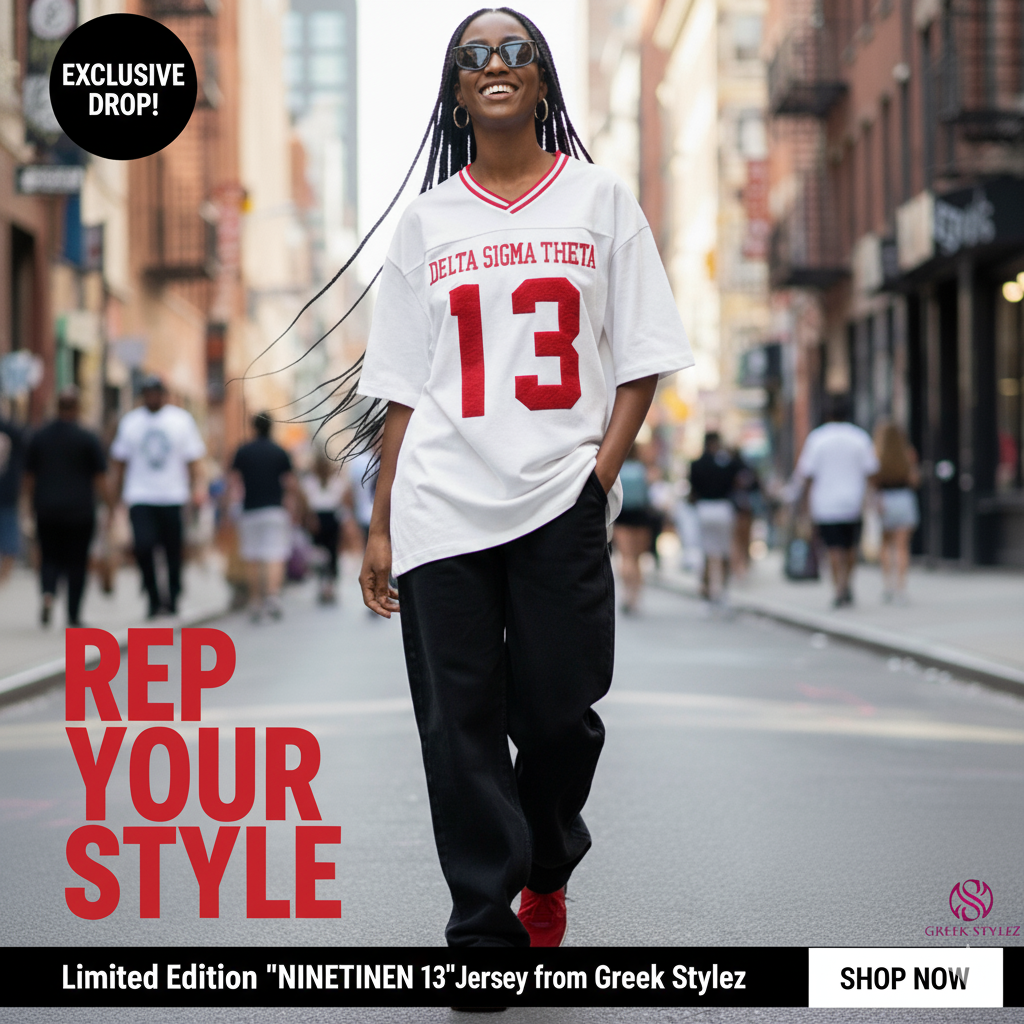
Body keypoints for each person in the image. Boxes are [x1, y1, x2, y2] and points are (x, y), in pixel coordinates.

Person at [352, 8, 692, 950]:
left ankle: (547, 858)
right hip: (439, 503)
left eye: (516, 52)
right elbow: (400, 389)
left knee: (559, 717)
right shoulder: (428, 221)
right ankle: (481, 930)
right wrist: (380, 524)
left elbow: (643, 358)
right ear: (459, 91)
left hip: (560, 497)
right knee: (457, 727)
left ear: (541, 79)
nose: (496, 66)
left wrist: (599, 475)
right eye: (476, 57)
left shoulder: (601, 201)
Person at [110, 374, 206, 618]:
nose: (153, 398)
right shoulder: (130, 422)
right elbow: (120, 463)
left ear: (164, 395)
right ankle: (152, 596)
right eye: (148, 393)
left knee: (173, 550)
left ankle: (172, 596)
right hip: (140, 495)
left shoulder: (181, 420)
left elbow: (194, 460)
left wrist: (197, 489)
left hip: (173, 495)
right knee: (143, 547)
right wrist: (115, 499)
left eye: (157, 393)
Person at [22, 388, 107, 627]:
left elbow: (29, 477)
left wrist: (27, 506)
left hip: (47, 508)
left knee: (49, 556)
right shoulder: (87, 438)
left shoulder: (39, 437)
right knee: (77, 563)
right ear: (77, 408)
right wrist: (109, 506)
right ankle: (73, 614)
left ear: (56, 407)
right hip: (80, 511)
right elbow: (100, 478)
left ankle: (48, 594)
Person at [791, 394, 879, 607]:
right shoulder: (860, 438)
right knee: (850, 547)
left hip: (826, 504)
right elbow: (871, 472)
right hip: (853, 502)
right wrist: (872, 499)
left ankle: (839, 586)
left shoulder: (817, 439)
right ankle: (846, 583)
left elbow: (806, 475)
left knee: (833, 548)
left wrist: (805, 506)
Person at [230, 411, 297, 621]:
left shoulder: (243, 451)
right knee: (274, 555)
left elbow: (233, 482)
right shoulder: (280, 452)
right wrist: (295, 509)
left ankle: (255, 600)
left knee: (253, 556)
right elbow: (290, 484)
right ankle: (272, 597)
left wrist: (226, 511)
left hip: (250, 510)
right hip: (275, 510)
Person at [688, 432, 739, 604]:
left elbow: (692, 491)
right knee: (724, 553)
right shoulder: (726, 463)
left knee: (707, 554)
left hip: (704, 509)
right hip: (723, 508)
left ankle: (707, 592)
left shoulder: (696, 464)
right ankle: (723, 591)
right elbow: (735, 483)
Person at [873, 421, 920, 604]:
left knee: (886, 545)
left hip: (885, 499)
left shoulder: (877, 454)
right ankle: (901, 587)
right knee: (902, 547)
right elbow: (914, 480)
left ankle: (888, 586)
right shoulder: (908, 453)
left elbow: (872, 481)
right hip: (904, 498)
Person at [302, 449, 346, 605]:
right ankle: (329, 586)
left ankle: (324, 586)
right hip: (330, 517)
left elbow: (308, 502)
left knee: (321, 554)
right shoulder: (334, 480)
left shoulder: (311, 480)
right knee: (330, 553)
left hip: (319, 517)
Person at [613, 445, 652, 614]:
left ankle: (626, 594)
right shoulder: (642, 469)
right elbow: (648, 494)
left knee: (626, 557)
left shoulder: (618, 468)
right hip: (641, 516)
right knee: (637, 559)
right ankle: (635, 595)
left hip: (622, 515)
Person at [0, 413, 25, 585]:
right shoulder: (14, 433)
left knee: (10, 538)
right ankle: (3, 577)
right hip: (9, 493)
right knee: (10, 539)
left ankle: (3, 576)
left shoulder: (13, 434)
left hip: (8, 494)